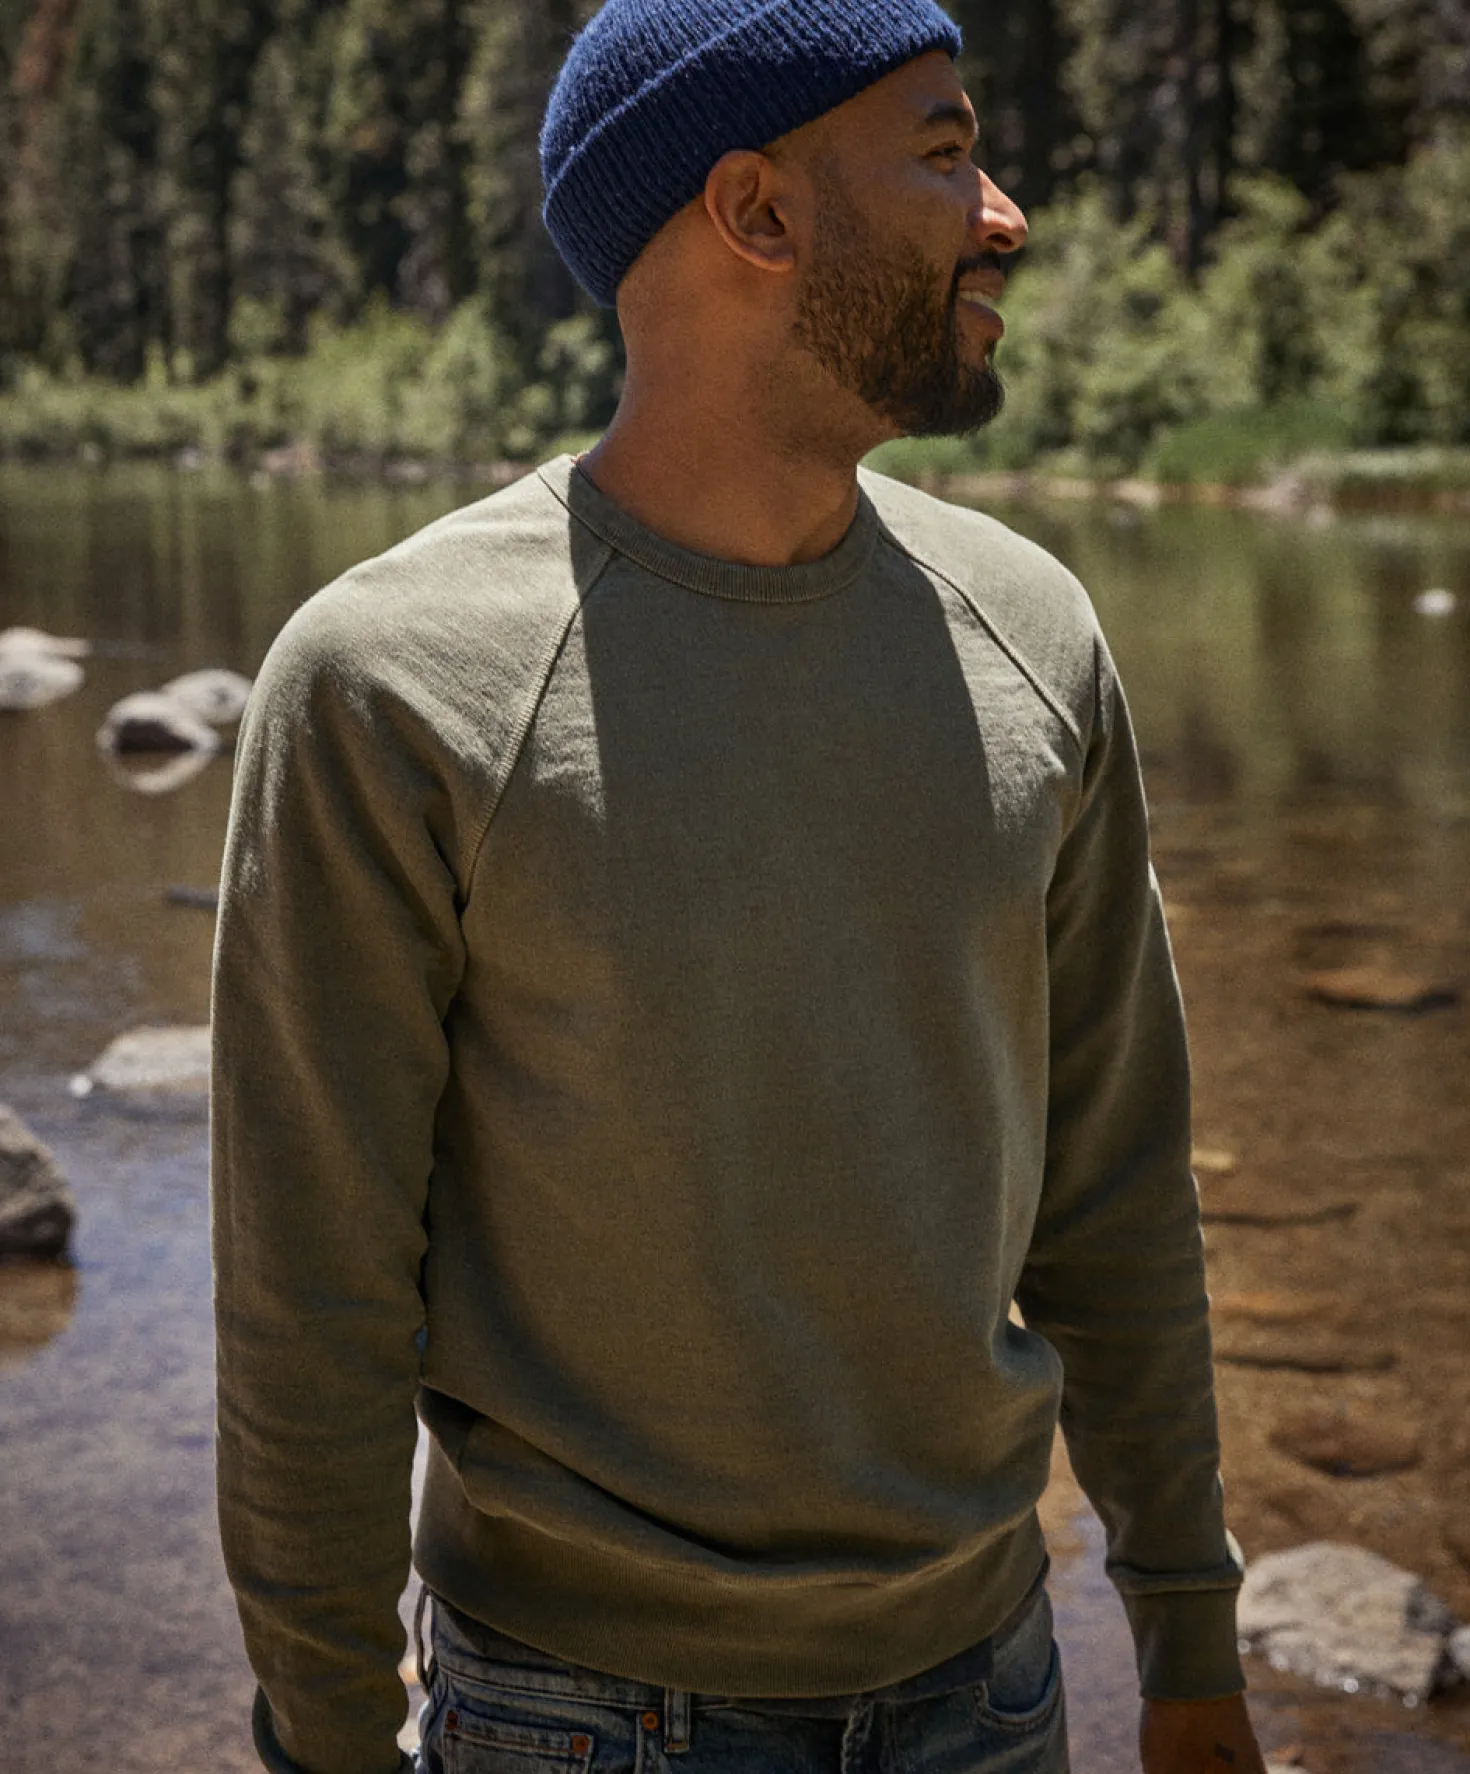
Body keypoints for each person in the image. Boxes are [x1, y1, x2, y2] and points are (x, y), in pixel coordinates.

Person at [210, 2, 1270, 1771]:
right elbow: (311, 1298)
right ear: (757, 213)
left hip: (992, 1688)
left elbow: (1115, 1186)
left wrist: (1186, 1628)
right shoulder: (388, 682)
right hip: (577, 1714)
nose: (1005, 214)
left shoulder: (1034, 629)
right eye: (944, 154)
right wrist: (327, 1734)